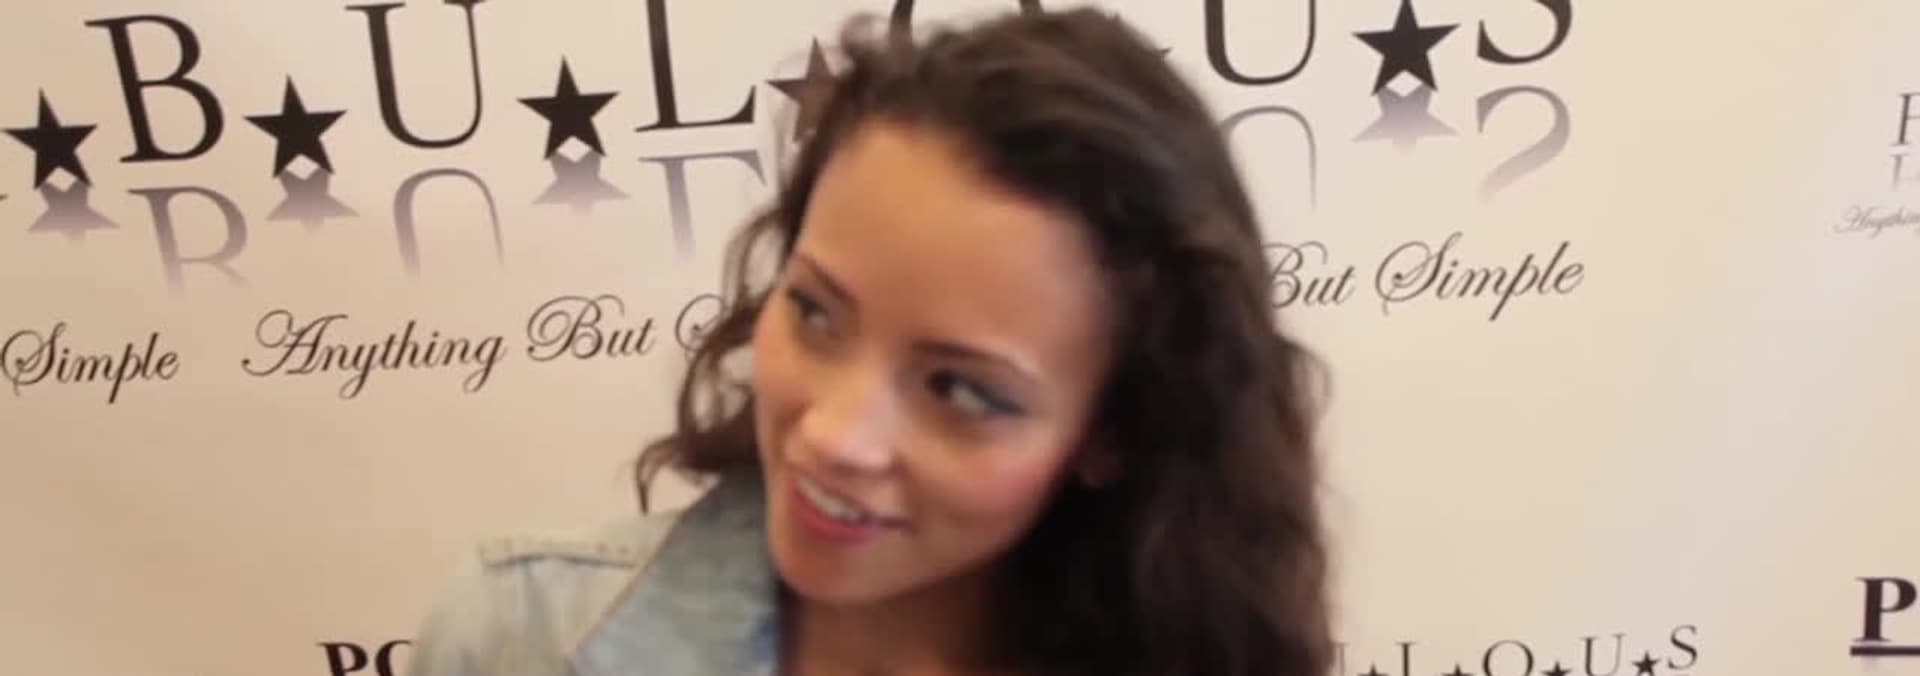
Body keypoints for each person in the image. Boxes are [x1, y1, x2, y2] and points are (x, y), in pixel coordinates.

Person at [404, 8, 1331, 676]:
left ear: (1113, 431)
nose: (833, 436)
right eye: (815, 313)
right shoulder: (519, 636)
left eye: (959, 391)